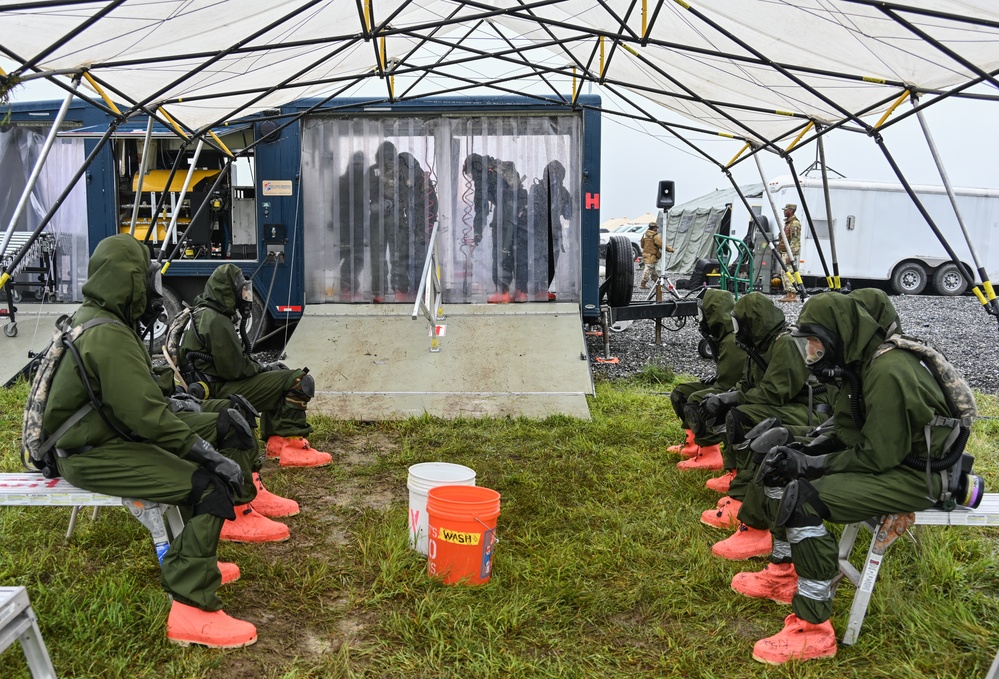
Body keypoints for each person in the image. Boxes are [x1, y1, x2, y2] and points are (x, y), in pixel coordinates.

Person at [43, 234, 261, 648]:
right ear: (128, 281)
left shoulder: (100, 319)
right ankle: (192, 611)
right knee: (208, 486)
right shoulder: (109, 335)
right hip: (94, 453)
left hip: (103, 440)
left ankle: (194, 564)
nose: (152, 293)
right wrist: (211, 457)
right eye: (147, 281)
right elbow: (148, 420)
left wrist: (182, 403)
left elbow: (132, 396)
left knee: (201, 471)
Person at [739, 291, 966, 664]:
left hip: (919, 476)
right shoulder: (859, 366)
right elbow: (850, 429)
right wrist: (805, 449)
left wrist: (813, 465)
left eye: (816, 341)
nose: (811, 351)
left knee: (804, 497)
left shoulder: (888, 370)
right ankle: (783, 573)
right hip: (893, 465)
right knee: (784, 463)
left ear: (840, 333)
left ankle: (814, 631)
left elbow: (879, 454)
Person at [698, 292, 831, 560]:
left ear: (753, 322)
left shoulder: (784, 344)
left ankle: (744, 506)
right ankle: (738, 479)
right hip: (792, 404)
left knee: (750, 421)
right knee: (737, 413)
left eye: (740, 324)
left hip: (810, 413)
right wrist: (727, 397)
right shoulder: (759, 344)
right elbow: (750, 385)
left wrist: (734, 398)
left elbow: (773, 392)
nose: (737, 330)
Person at [177, 263, 333, 468]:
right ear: (228, 291)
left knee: (279, 374)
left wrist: (262, 369)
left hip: (209, 386)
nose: (245, 295)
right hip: (219, 388)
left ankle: (277, 444)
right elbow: (235, 369)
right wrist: (262, 368)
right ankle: (293, 449)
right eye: (241, 290)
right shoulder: (216, 321)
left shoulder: (202, 313)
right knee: (298, 381)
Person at [667, 289, 746, 484]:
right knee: (682, 392)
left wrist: (714, 386)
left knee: (697, 400)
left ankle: (710, 453)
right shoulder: (721, 335)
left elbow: (729, 384)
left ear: (714, 313)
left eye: (703, 312)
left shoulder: (731, 340)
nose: (700, 318)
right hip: (729, 384)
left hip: (738, 392)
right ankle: (694, 443)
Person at [463, 153, 530, 303]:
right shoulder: (499, 168)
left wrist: (478, 233)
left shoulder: (481, 174)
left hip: (505, 214)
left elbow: (481, 208)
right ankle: (521, 292)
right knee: (520, 253)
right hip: (523, 212)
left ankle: (503, 292)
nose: (471, 177)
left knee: (501, 253)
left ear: (473, 167)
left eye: (469, 173)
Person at [529, 160, 572, 301]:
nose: (554, 178)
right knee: (540, 262)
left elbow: (568, 214)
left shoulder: (561, 191)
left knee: (550, 263)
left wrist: (573, 200)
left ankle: (543, 290)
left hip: (551, 234)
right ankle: (539, 290)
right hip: (540, 233)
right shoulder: (537, 189)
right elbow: (532, 211)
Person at [398, 151, 438, 302]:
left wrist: (427, 225)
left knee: (421, 258)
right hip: (412, 226)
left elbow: (432, 206)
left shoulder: (422, 182)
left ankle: (424, 290)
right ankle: (417, 289)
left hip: (422, 227)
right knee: (410, 257)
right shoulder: (407, 181)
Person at [368, 141, 405, 303]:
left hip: (381, 217)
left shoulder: (373, 171)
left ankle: (380, 291)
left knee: (381, 255)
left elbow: (365, 194)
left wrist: (376, 203)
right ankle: (398, 290)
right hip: (390, 217)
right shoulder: (401, 171)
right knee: (396, 254)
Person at [338, 151, 368, 302]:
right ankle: (347, 287)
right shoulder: (357, 181)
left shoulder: (364, 181)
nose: (359, 167)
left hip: (355, 226)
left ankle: (347, 287)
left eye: (361, 164)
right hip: (349, 225)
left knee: (354, 257)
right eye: (357, 164)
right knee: (354, 256)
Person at [777, 203, 802, 303]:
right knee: (784, 273)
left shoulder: (794, 223)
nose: (784, 211)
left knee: (789, 272)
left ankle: (792, 294)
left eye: (786, 210)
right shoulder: (788, 223)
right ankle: (788, 293)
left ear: (791, 211)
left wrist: (790, 255)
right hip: (784, 251)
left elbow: (795, 240)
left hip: (789, 252)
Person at [639, 222, 673, 289]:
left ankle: (658, 283)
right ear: (654, 228)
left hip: (646, 254)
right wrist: (670, 249)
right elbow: (661, 245)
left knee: (653, 270)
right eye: (656, 228)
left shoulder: (644, 235)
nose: (657, 229)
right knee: (648, 269)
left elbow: (642, 245)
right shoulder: (655, 236)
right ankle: (643, 284)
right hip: (652, 256)